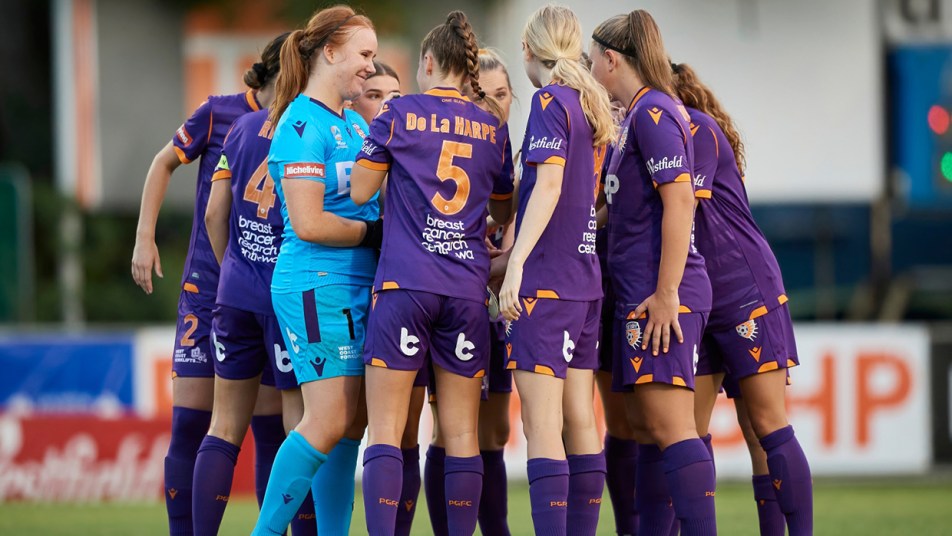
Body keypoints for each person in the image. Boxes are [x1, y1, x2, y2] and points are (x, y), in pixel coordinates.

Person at [350, 11, 513, 536]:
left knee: (386, 431)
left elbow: (359, 191)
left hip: (405, 283)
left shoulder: (397, 112)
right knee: (462, 434)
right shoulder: (492, 125)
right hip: (466, 289)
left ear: (426, 63)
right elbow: (504, 209)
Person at [130, 32, 289, 536]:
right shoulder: (219, 111)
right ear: (279, 69)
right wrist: (144, 237)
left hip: (267, 294)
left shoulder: (304, 121)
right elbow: (164, 162)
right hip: (209, 286)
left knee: (270, 430)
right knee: (191, 423)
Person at [250, 6, 381, 535]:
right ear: (329, 53)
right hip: (315, 283)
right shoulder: (300, 124)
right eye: (364, 54)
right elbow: (308, 222)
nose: (371, 66)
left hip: (355, 284)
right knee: (326, 419)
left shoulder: (353, 122)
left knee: (350, 423)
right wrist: (374, 234)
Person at [589, 9, 716, 535]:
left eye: (591, 60)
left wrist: (667, 294)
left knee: (672, 429)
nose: (589, 70)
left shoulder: (653, 112)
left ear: (611, 59)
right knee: (644, 429)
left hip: (657, 294)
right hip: (636, 292)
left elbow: (680, 201)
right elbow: (620, 209)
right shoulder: (634, 116)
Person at [673, 59, 813, 535]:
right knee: (688, 433)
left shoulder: (695, 129)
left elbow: (681, 206)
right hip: (698, 296)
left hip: (742, 288)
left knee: (763, 426)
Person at [495, 5, 615, 535]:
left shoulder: (549, 101)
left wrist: (515, 263)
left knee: (543, 428)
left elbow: (548, 186)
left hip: (547, 284)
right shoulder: (589, 103)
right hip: (585, 283)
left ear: (528, 50)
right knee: (580, 421)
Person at [424, 47, 516, 536]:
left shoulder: (513, 152)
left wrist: (506, 260)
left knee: (495, 431)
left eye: (502, 94)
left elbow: (513, 223)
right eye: (484, 95)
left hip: (499, 307)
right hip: (453, 300)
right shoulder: (444, 141)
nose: (494, 104)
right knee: (451, 429)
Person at [349, 60, 429, 536]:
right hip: (345, 295)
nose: (386, 105)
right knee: (337, 428)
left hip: (405, 297)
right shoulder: (344, 148)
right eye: (375, 95)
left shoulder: (413, 148)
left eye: (394, 96)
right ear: (353, 102)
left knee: (405, 433)